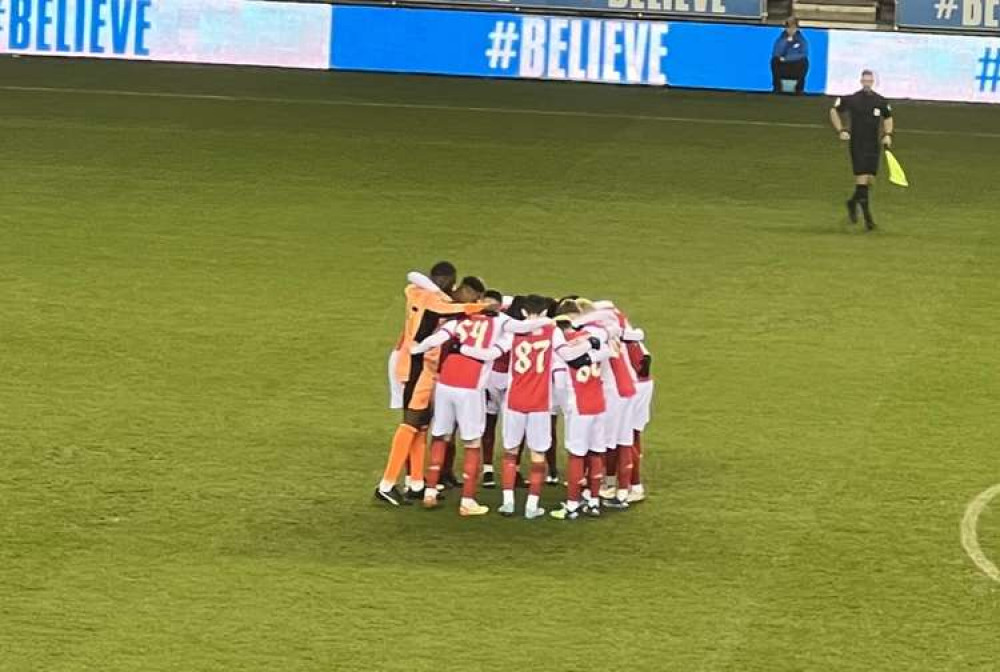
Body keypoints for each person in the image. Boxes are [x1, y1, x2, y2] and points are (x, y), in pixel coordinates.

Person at [413, 295, 552, 516]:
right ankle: (467, 501)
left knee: (441, 436)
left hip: (445, 384)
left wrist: (414, 351)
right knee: (472, 442)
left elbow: (434, 340)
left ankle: (430, 491)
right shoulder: (502, 323)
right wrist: (549, 320)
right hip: (470, 387)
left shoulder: (460, 321)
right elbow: (508, 339)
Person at [374, 264, 486, 507]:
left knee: (421, 425)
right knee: (411, 422)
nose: (454, 287)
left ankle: (416, 483)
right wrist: (485, 307)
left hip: (419, 365)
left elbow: (412, 280)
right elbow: (456, 308)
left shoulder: (417, 292)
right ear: (443, 279)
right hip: (415, 365)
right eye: (451, 282)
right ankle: (386, 485)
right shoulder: (434, 301)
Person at [830, 70, 894, 230]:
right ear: (861, 81)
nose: (867, 82)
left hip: (873, 144)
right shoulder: (852, 99)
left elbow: (888, 117)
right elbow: (833, 111)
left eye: (869, 80)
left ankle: (852, 202)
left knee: (869, 180)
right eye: (864, 80)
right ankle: (868, 220)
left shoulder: (880, 101)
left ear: (873, 81)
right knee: (862, 178)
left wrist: (887, 134)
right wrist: (841, 130)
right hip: (858, 144)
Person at [770, 18, 809, 95]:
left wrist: (787, 58)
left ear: (797, 28)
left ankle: (799, 89)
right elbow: (776, 52)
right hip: (783, 65)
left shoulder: (802, 40)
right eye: (789, 28)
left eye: (793, 28)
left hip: (796, 65)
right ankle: (777, 88)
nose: (791, 30)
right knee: (774, 61)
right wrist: (786, 41)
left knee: (804, 62)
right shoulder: (780, 39)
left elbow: (804, 54)